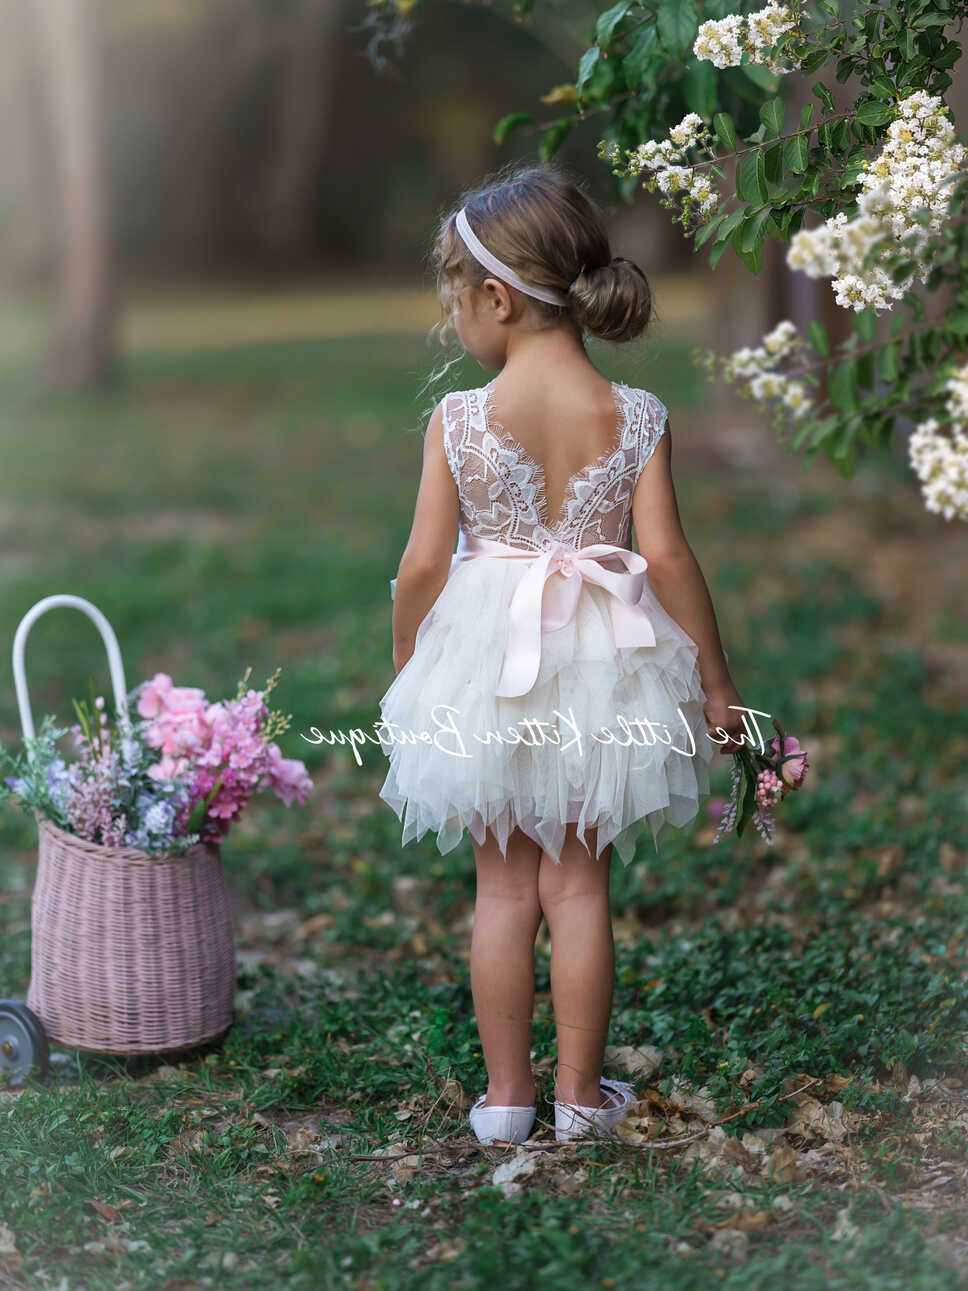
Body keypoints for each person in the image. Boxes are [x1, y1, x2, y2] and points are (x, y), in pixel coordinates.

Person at [377, 163, 747, 1146]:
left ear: (494, 297)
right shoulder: (635, 415)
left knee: (501, 885)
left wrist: (413, 662)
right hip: (602, 660)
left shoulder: (459, 421)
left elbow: (420, 566)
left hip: (485, 660)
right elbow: (663, 556)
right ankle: (580, 1099)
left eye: (456, 298)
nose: (456, 317)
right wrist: (715, 684)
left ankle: (505, 1100)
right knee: (577, 883)